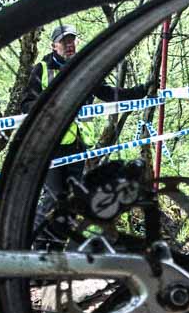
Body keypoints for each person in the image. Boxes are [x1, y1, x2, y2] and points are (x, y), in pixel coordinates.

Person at [21, 23, 151, 227]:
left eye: (72, 40)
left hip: (78, 145)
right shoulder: (42, 69)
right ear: (54, 46)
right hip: (50, 146)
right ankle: (32, 241)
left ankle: (58, 242)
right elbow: (26, 105)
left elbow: (108, 93)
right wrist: (51, 106)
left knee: (73, 198)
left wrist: (141, 91)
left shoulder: (85, 69)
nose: (69, 45)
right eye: (64, 41)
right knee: (53, 197)